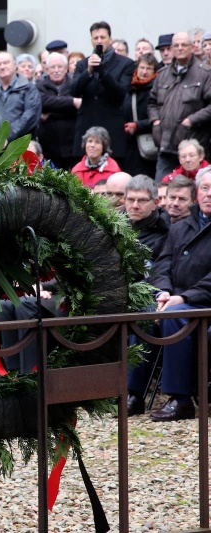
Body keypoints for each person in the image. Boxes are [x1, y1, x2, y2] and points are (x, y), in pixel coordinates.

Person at [143, 169, 211, 421]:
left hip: (203, 304)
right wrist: (164, 292)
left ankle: (180, 399)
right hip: (175, 300)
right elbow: (162, 264)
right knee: (143, 313)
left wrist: (184, 298)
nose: (209, 194)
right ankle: (132, 394)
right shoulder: (182, 227)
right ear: (197, 194)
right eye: (204, 188)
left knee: (173, 314)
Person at [123, 175, 171, 416]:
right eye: (130, 200)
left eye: (142, 200)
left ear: (155, 202)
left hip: (148, 294)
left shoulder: (166, 231)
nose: (135, 205)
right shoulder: (115, 224)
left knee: (143, 316)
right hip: (115, 292)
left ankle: (133, 394)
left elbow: (160, 273)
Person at [148, 31, 211, 181]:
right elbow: (151, 102)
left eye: (184, 45)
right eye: (176, 45)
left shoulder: (204, 74)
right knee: (162, 191)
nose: (180, 48)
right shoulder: (162, 74)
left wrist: (191, 120)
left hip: (193, 148)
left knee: (193, 194)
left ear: (192, 47)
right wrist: (156, 122)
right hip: (165, 145)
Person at [72, 21, 136, 161]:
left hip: (111, 127)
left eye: (103, 37)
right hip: (86, 126)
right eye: (96, 38)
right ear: (91, 40)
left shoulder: (126, 63)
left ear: (110, 39)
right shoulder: (83, 64)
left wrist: (102, 71)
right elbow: (74, 91)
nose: (99, 41)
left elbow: (120, 93)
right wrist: (88, 72)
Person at [0, 51, 42, 142]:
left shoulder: (29, 88)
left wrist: (7, 137)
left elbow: (30, 116)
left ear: (15, 65)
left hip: (21, 145)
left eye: (6, 63)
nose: (2, 67)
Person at [36, 52, 80, 169]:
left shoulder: (75, 85)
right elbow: (43, 102)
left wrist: (51, 110)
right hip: (49, 145)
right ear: (46, 69)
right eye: (52, 67)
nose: (56, 70)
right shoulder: (40, 86)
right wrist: (72, 102)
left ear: (66, 68)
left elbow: (80, 107)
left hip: (72, 144)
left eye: (60, 67)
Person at [122, 53, 159, 177]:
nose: (144, 72)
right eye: (142, 68)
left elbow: (160, 116)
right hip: (130, 146)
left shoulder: (157, 89)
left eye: (148, 68)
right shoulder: (131, 89)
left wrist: (138, 125)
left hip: (150, 142)